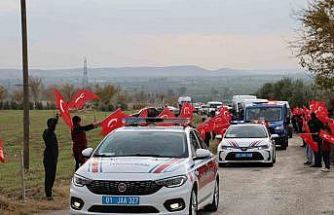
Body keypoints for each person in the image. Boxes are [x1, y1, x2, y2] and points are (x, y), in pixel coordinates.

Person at [42, 114, 59, 200]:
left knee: (52, 176)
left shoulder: (52, 133)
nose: (55, 126)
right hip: (48, 159)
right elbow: (52, 126)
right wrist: (56, 118)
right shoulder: (47, 133)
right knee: (48, 176)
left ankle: (50, 192)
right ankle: (48, 195)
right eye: (54, 125)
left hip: (53, 159)